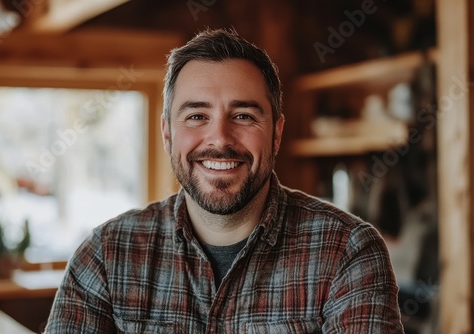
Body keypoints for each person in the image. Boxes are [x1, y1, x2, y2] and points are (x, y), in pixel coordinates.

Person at [45, 28, 404, 333]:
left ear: (276, 134)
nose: (220, 139)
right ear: (167, 134)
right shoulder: (106, 256)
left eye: (244, 115)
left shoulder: (348, 253)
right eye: (197, 115)